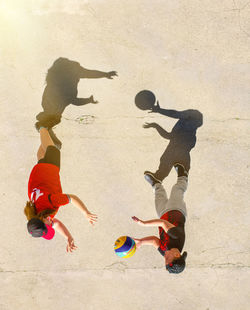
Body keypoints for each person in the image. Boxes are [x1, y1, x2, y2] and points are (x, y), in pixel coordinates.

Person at [24, 127, 97, 252]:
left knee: (54, 151)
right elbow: (55, 224)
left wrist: (85, 212)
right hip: (39, 176)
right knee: (42, 157)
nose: (50, 226)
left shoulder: (50, 202)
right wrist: (68, 237)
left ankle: (42, 128)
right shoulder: (34, 213)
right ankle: (47, 143)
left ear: (42, 220)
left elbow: (72, 198)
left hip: (49, 170)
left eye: (47, 227)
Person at [132, 164, 188, 274]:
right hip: (175, 210)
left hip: (163, 214)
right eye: (167, 259)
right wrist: (143, 223)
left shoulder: (165, 252)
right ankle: (183, 176)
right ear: (177, 254)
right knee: (177, 190)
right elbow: (162, 224)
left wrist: (141, 242)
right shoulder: (178, 238)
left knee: (159, 196)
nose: (164, 257)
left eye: (165, 261)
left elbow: (154, 241)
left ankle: (156, 184)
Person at [143, 101, 203, 183]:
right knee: (166, 161)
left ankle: (163, 177)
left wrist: (159, 111)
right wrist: (155, 125)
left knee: (169, 161)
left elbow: (175, 114)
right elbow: (168, 136)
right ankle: (160, 178)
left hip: (182, 144)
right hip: (181, 144)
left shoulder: (193, 116)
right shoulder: (181, 127)